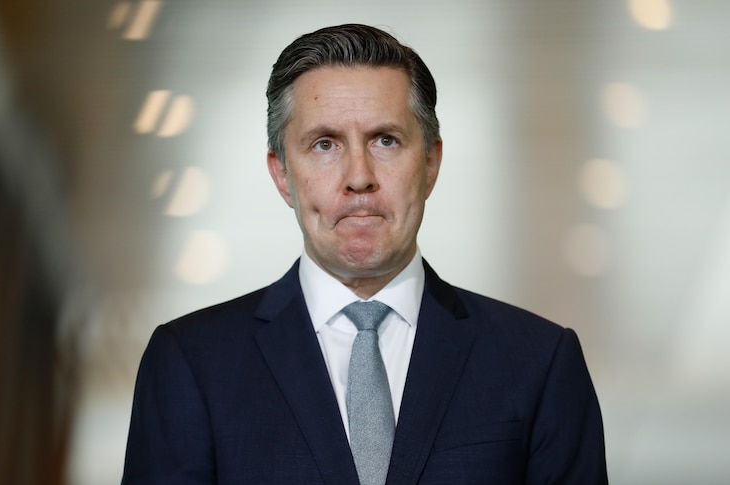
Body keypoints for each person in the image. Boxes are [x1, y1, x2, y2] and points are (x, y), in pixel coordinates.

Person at [122, 24, 608, 484]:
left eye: (385, 140)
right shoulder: (190, 363)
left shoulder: (539, 362)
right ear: (282, 174)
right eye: (325, 144)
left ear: (431, 162)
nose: (359, 176)